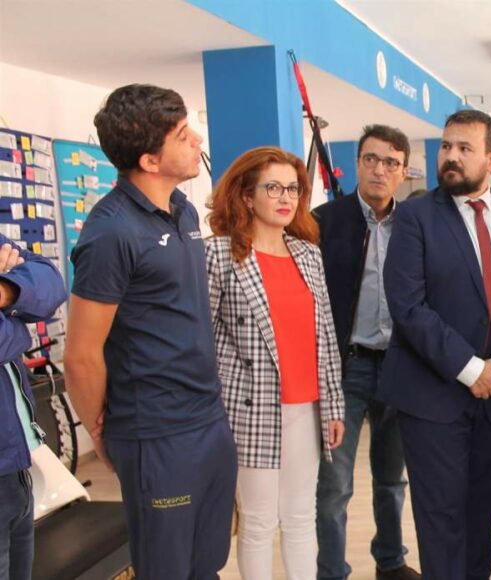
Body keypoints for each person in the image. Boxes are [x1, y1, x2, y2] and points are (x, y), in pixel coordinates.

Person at [65, 84, 238, 579]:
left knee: (207, 563)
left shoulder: (184, 210)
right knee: (166, 569)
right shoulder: (110, 233)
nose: (197, 140)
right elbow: (80, 355)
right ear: (149, 160)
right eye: (183, 135)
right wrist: (102, 431)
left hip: (209, 419)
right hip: (156, 433)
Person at [380, 110, 491, 580]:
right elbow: (408, 305)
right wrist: (471, 368)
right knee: (442, 522)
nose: (450, 157)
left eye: (464, 149)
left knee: (480, 518)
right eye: (446, 147)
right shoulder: (415, 215)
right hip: (431, 395)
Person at [204, 146, 345, 579]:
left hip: (308, 407)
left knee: (301, 515)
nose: (286, 198)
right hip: (250, 410)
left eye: (293, 189)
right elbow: (202, 340)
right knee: (259, 520)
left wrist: (334, 405)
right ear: (247, 196)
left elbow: (325, 335)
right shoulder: (219, 254)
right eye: (273, 188)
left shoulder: (308, 254)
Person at [315, 125, 421, 580]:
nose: (380, 170)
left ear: (404, 171)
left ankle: (391, 562)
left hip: (399, 367)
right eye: (371, 159)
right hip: (347, 368)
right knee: (334, 485)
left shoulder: (415, 225)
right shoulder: (325, 222)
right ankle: (331, 572)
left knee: (392, 478)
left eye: (391, 163)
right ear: (357, 163)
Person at [0, 238, 66, 580]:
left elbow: (50, 283)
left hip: (17, 464)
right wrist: (17, 324)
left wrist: (6, 290)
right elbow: (8, 340)